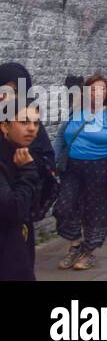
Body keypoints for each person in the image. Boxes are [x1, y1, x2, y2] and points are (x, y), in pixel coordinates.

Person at [53, 74, 107, 272]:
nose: (97, 93)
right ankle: (75, 246)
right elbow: (60, 137)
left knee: (95, 213)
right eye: (93, 89)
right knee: (64, 207)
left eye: (101, 89)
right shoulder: (75, 111)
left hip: (100, 169)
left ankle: (89, 253)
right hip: (73, 168)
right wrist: (52, 161)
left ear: (106, 93)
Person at [0, 97, 42, 281]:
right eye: (24, 122)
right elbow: (14, 208)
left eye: (36, 123)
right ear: (5, 127)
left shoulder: (22, 155)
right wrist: (28, 172)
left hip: (19, 245)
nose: (32, 128)